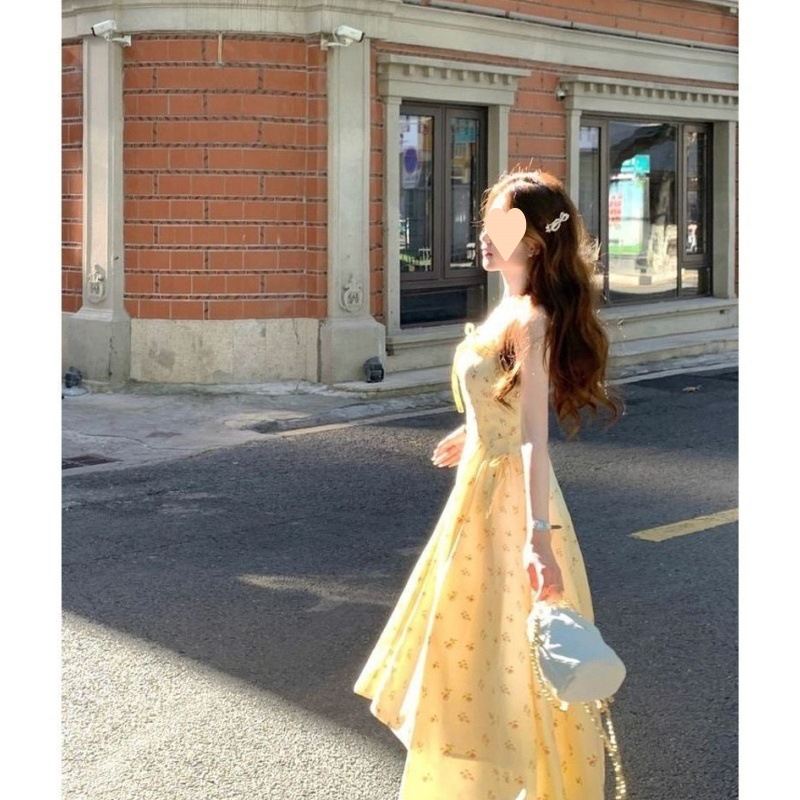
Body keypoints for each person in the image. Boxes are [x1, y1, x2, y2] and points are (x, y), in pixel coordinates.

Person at [353, 168, 624, 800]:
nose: (485, 233)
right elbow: (499, 402)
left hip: (511, 508)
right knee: (470, 647)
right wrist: (472, 430)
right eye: (487, 220)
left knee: (511, 653)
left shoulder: (533, 320)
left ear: (534, 240)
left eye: (502, 222)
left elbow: (533, 437)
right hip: (478, 493)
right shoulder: (505, 306)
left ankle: (527, 783)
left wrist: (539, 538)